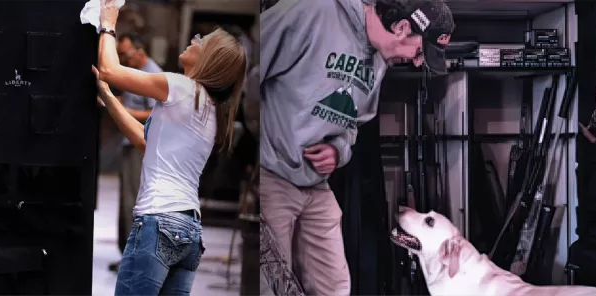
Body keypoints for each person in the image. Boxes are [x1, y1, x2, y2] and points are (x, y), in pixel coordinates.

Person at [249, 0, 454, 295]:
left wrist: (337, 150)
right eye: (420, 51)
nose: (418, 61)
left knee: (335, 287)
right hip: (271, 173)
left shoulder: (379, 61)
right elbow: (251, 73)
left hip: (316, 185)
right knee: (273, 284)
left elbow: (352, 123)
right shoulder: (313, 11)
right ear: (402, 27)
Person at [94, 1, 247, 294]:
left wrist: (108, 23)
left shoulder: (180, 87)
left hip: (158, 221)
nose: (194, 39)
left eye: (203, 41)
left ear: (210, 60)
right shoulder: (210, 108)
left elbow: (110, 69)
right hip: (189, 231)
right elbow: (145, 142)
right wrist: (107, 97)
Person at [110, 32, 165, 273]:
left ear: (140, 51)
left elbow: (156, 114)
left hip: (140, 147)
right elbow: (133, 102)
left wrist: (121, 111)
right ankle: (127, 257)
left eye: (125, 55)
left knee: (133, 203)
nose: (123, 60)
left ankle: (135, 260)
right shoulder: (135, 74)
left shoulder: (153, 74)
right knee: (125, 202)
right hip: (128, 144)